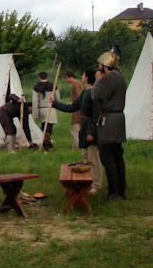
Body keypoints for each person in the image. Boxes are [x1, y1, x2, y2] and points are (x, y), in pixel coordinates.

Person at [52, 68, 103, 193]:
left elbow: (96, 115)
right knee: (85, 156)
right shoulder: (85, 93)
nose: (82, 76)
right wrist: (55, 103)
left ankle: (96, 184)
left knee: (93, 157)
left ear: (87, 78)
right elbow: (72, 107)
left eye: (83, 74)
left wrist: (92, 132)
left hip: (91, 127)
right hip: (84, 126)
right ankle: (88, 181)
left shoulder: (94, 93)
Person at [93, 51, 127, 201]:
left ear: (104, 65)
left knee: (108, 157)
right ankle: (121, 190)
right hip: (118, 118)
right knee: (118, 157)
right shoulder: (120, 77)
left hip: (109, 120)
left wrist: (98, 81)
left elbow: (95, 95)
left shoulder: (109, 78)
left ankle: (114, 192)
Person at [32, 71, 58, 150]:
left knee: (44, 126)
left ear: (39, 78)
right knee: (49, 126)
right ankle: (47, 142)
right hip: (50, 108)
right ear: (47, 77)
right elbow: (58, 99)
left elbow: (35, 101)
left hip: (41, 109)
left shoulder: (36, 88)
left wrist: (35, 114)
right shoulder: (53, 86)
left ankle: (46, 143)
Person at [65, 70, 85, 149]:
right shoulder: (77, 82)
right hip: (78, 107)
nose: (66, 80)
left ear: (69, 77)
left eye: (66, 78)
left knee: (74, 127)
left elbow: (79, 95)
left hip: (77, 109)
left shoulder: (75, 83)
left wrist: (75, 104)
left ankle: (77, 145)